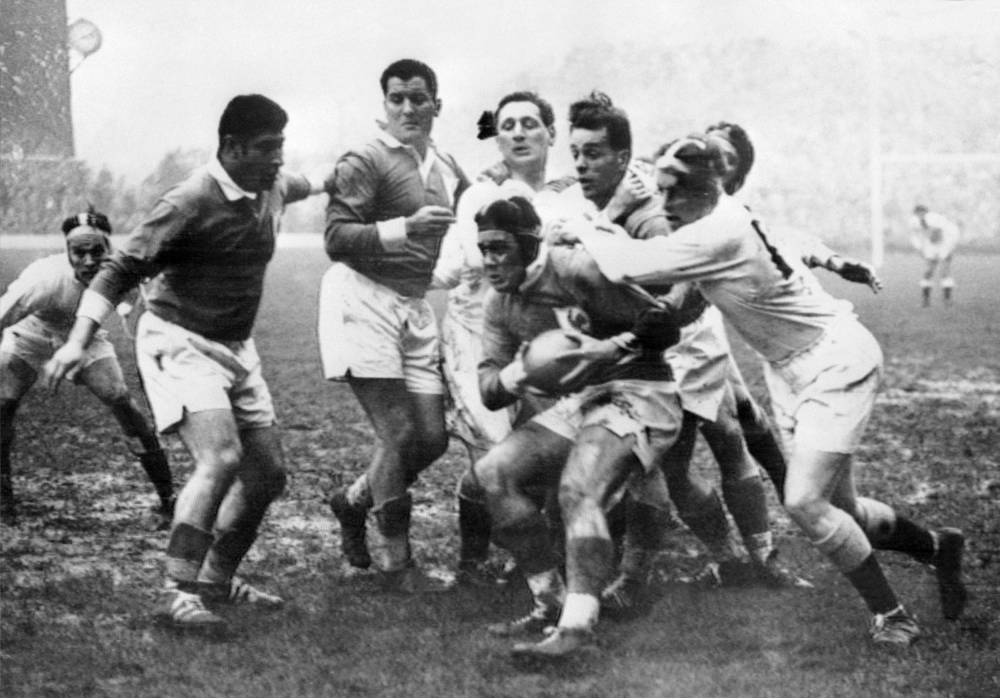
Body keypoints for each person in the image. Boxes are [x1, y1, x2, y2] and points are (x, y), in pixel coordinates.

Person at [551, 133, 968, 647]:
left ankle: (893, 617)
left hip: (835, 363)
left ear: (701, 190)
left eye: (669, 193)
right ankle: (935, 546)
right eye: (656, 192)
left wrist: (584, 226)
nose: (662, 205)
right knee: (845, 507)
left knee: (803, 501)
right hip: (792, 369)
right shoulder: (723, 215)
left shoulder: (717, 232)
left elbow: (626, 262)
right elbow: (688, 299)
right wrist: (836, 261)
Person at [43, 94, 321, 632]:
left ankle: (216, 580)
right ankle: (176, 590)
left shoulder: (271, 187)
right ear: (232, 147)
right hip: (179, 340)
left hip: (238, 348)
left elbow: (310, 183)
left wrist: (358, 174)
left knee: (268, 475)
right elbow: (117, 269)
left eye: (282, 147)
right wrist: (78, 341)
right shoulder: (190, 200)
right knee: (219, 458)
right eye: (267, 148)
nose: (277, 160)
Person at [471, 196, 711, 657]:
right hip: (583, 401)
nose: (489, 260)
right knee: (493, 474)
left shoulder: (575, 271)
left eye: (499, 248)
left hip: (640, 391)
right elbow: (488, 389)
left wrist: (609, 345)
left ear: (526, 244)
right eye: (482, 249)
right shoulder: (499, 304)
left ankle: (578, 632)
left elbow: (664, 325)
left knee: (578, 489)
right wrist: (524, 370)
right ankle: (551, 603)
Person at [319, 59, 470, 592]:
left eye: (419, 98)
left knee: (431, 439)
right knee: (397, 431)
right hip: (362, 297)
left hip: (413, 303)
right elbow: (337, 238)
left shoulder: (448, 165)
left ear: (437, 105)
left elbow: (476, 214)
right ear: (384, 104)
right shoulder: (366, 158)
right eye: (397, 98)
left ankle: (354, 500)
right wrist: (403, 228)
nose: (408, 108)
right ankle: (396, 565)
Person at [432, 91, 568, 583]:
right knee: (497, 453)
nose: (517, 133)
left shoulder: (563, 196)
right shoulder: (482, 196)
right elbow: (490, 269)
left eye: (530, 123)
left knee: (538, 449)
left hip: (538, 336)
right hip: (479, 331)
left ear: (551, 133)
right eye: (506, 125)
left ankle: (538, 556)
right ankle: (474, 560)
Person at [1, 211, 174, 528]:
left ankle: (168, 495)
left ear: (110, 246)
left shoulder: (123, 274)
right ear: (67, 252)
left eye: (98, 251)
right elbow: (3, 314)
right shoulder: (44, 278)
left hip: (86, 340)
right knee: (2, 405)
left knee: (125, 404)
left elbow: (139, 320)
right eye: (79, 252)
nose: (89, 260)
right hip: (31, 335)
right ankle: (3, 498)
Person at [909, 204, 959, 307]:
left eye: (922, 213)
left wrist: (949, 247)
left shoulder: (934, 218)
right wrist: (920, 249)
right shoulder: (914, 222)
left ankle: (947, 300)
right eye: (917, 213)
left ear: (926, 212)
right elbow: (914, 235)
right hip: (931, 245)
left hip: (945, 243)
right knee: (928, 271)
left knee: (944, 272)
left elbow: (942, 231)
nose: (920, 215)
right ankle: (925, 301)